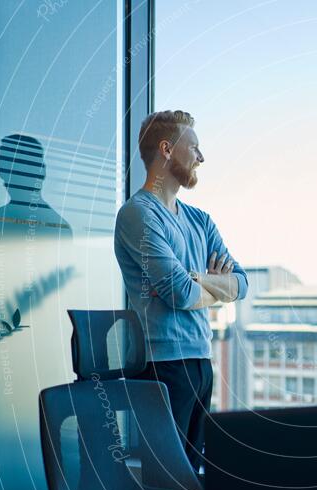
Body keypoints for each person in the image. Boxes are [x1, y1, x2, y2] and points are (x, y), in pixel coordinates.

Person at [114, 110, 248, 471]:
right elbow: (179, 294)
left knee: (193, 480)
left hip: (200, 363)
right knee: (167, 484)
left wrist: (196, 279)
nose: (201, 157)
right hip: (162, 368)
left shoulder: (200, 220)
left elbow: (242, 283)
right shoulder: (137, 214)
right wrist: (207, 285)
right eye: (195, 148)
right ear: (167, 149)